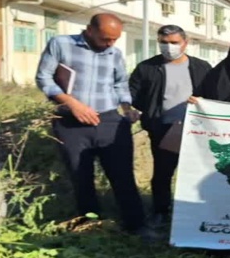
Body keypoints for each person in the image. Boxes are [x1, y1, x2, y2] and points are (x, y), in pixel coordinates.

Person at [35, 13, 147, 236]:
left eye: (114, 39)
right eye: (105, 38)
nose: (110, 44)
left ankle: (137, 226)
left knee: (122, 175)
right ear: (89, 30)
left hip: (109, 121)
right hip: (70, 123)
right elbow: (43, 78)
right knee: (81, 176)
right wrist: (73, 104)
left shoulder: (114, 53)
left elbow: (120, 84)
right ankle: (89, 225)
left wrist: (127, 108)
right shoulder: (60, 44)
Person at [129, 25, 212, 226]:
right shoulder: (146, 68)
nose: (169, 47)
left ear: (185, 42)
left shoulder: (202, 67)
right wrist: (148, 114)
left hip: (195, 130)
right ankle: (161, 211)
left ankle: (193, 210)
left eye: (174, 42)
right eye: (164, 43)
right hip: (163, 129)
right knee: (163, 173)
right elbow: (133, 95)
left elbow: (214, 93)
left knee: (196, 171)